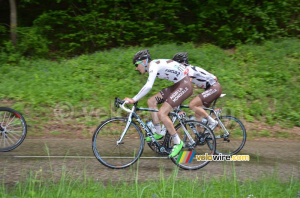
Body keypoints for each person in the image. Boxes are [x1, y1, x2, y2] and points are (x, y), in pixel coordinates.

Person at [124, 49, 193, 157]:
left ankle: (177, 142)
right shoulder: (154, 64)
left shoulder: (153, 65)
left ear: (144, 61)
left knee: (162, 113)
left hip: (184, 85)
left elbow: (148, 86)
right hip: (178, 84)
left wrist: (133, 99)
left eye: (137, 64)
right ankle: (158, 132)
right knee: (151, 101)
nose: (136, 68)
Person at [172, 52, 222, 129]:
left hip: (214, 88)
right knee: (198, 114)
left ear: (180, 63)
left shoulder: (188, 69)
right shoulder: (189, 69)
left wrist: (178, 99)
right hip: (212, 88)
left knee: (192, 105)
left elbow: (186, 86)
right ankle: (199, 139)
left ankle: (212, 121)